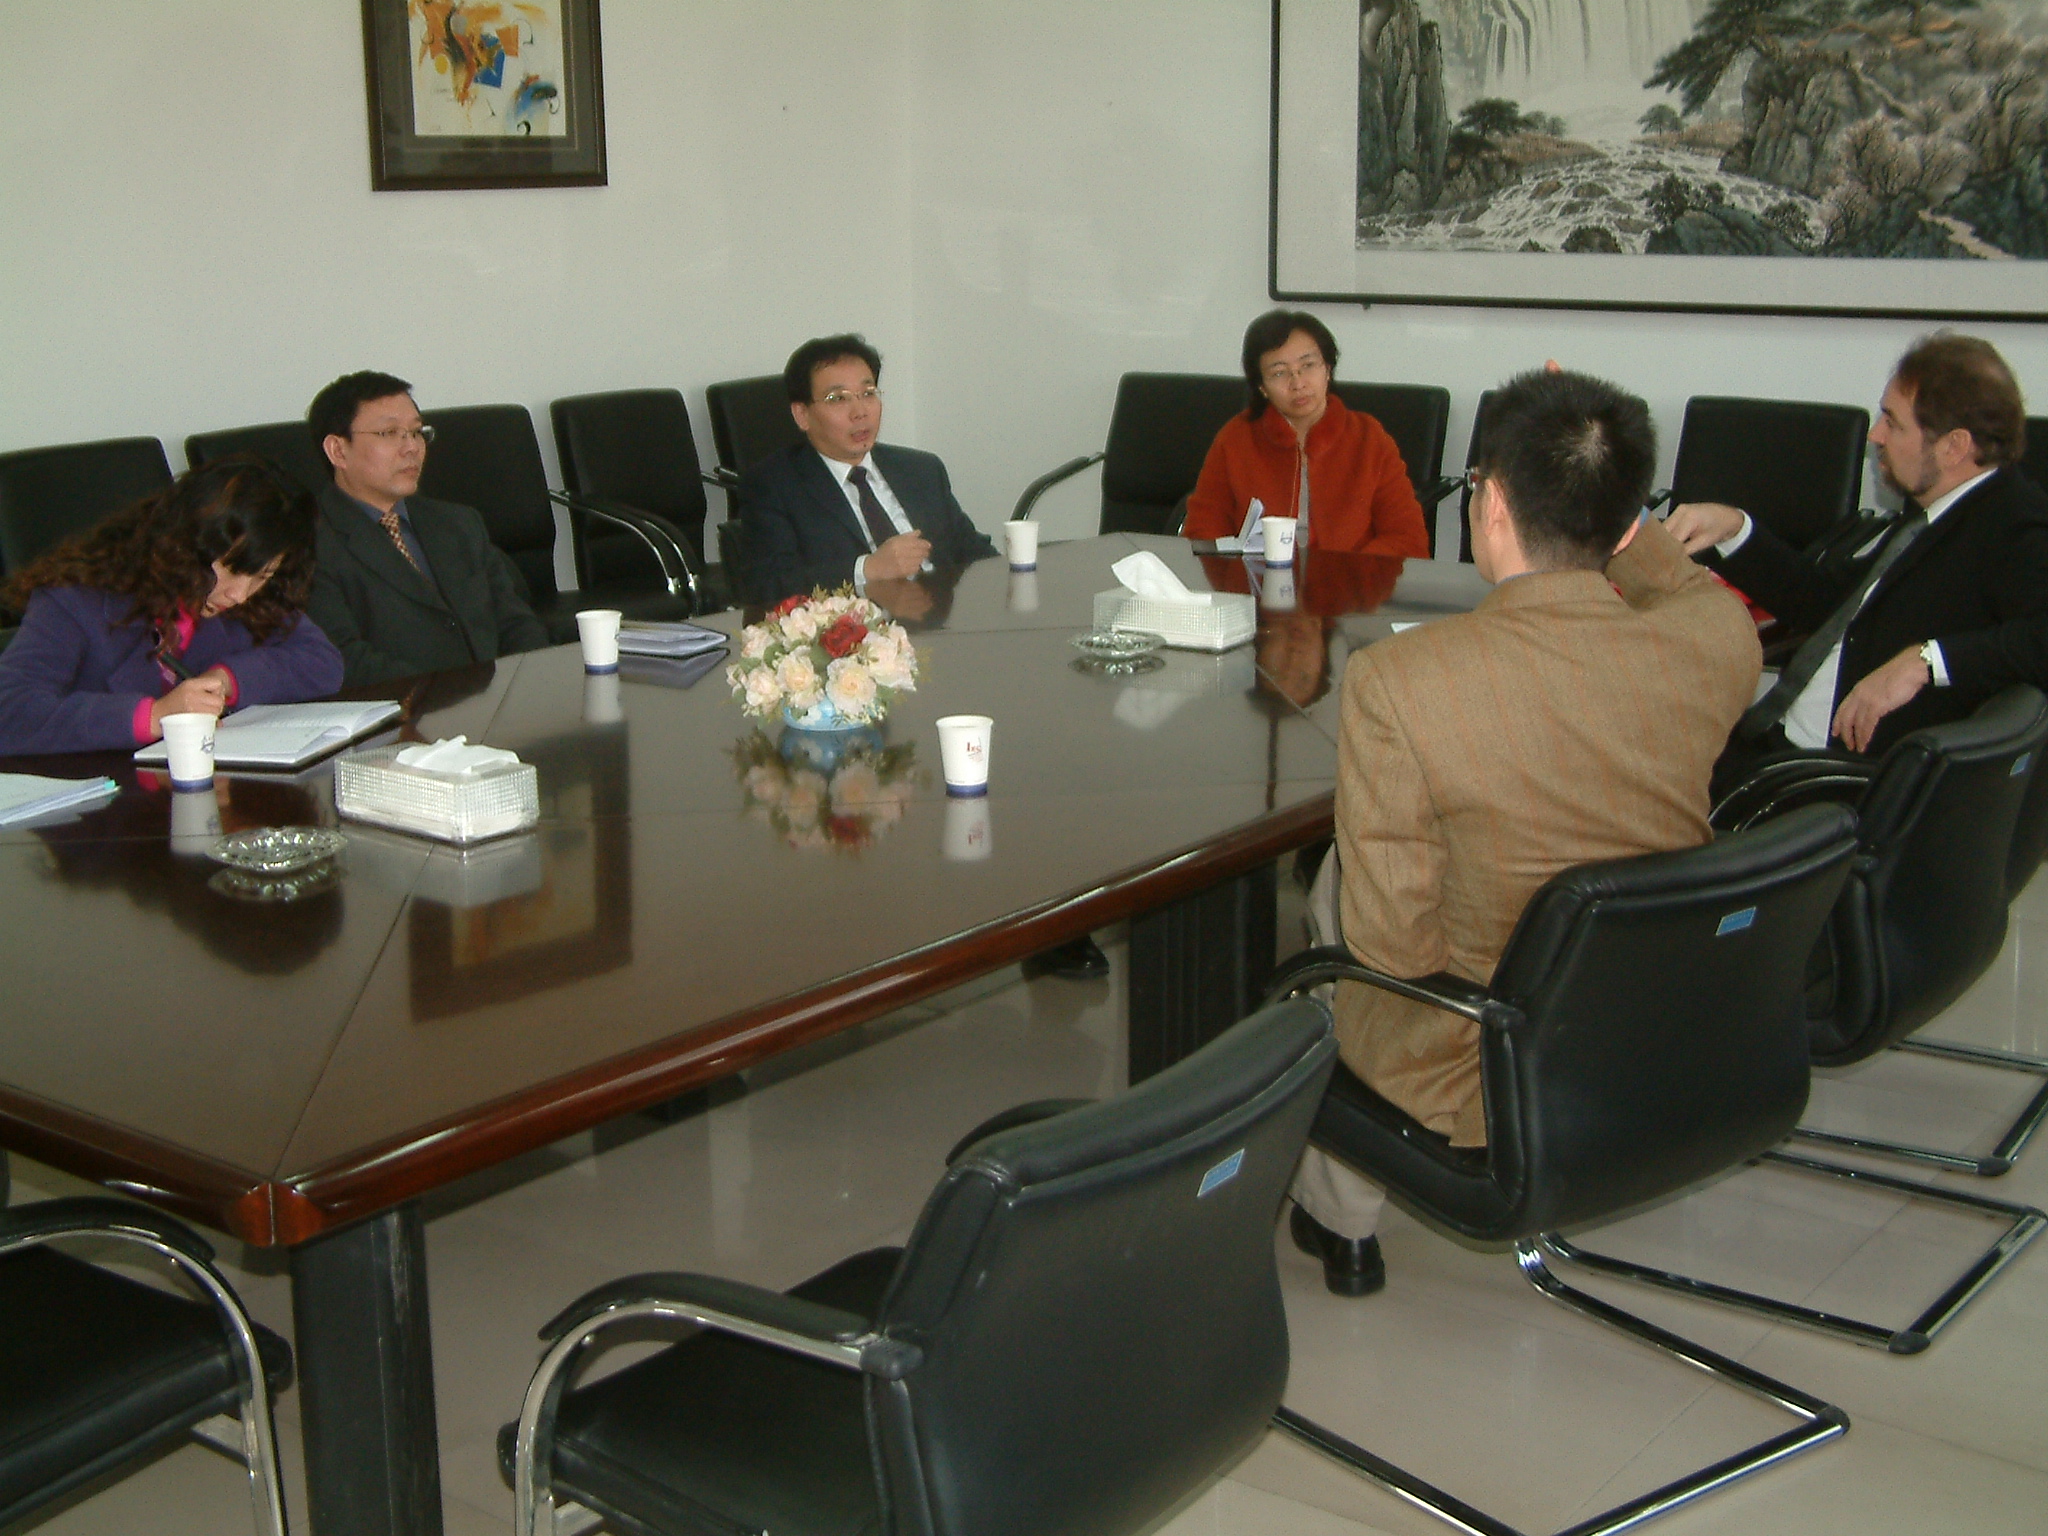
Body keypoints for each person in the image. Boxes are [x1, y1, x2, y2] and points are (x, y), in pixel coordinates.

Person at [1288, 368, 1762, 1296]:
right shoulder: (1718, 638)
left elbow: (1393, 951)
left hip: (1487, 1060)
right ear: (1626, 525)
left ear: (1492, 502)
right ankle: (1336, 1207)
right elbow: (1675, 579)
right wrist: (1603, 484)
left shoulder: (1402, 681)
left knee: (1338, 900)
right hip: (1660, 1021)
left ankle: (1340, 1216)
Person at [1667, 333, 2048, 777]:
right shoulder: (1936, 513)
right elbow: (1825, 601)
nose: (1876, 435)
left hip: (1822, 781)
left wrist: (1926, 661)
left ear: (1953, 447)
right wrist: (1734, 528)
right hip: (1775, 746)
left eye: (1894, 422)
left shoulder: (2015, 525)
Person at [0, 456, 342, 757]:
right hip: (100, 795)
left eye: (263, 576)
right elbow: (9, 711)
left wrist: (226, 679)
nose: (240, 594)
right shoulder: (74, 598)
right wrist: (154, 716)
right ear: (187, 543)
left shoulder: (254, 597)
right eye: (232, 570)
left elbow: (322, 661)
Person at [304, 370, 550, 687]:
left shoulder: (459, 523)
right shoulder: (307, 543)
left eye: (417, 432)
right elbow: (343, 658)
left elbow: (516, 621)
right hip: (407, 706)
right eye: (389, 433)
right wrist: (447, 694)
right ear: (338, 450)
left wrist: (526, 682)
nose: (411, 447)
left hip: (500, 697)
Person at [736, 334, 998, 607]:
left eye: (868, 393)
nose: (860, 412)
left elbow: (975, 554)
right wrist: (867, 569)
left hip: (943, 619)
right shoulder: (773, 486)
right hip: (857, 628)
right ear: (802, 415)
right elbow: (768, 586)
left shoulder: (922, 470)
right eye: (838, 398)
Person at [1183, 310, 1431, 559]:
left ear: (1328, 370)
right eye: (1279, 373)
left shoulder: (1369, 438)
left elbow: (1407, 538)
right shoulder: (1236, 439)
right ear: (1262, 388)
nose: (1298, 383)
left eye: (1308, 365)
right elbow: (1202, 532)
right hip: (1256, 579)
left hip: (1352, 579)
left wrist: (1349, 573)